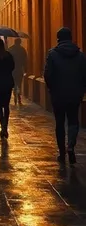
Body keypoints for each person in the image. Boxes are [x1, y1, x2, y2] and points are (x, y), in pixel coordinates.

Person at [44, 27, 86, 164]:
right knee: (73, 120)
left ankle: (62, 152)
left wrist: (52, 88)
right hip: (75, 94)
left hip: (58, 95)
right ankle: (71, 147)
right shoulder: (80, 56)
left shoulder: (52, 54)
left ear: (58, 39)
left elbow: (48, 75)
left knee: (60, 122)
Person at [0, 39, 15, 138]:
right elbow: (12, 67)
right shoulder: (8, 55)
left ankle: (2, 126)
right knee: (6, 105)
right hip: (7, 82)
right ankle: (5, 127)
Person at [9, 38, 28, 105]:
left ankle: (15, 97)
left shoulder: (10, 49)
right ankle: (19, 98)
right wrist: (25, 69)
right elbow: (25, 60)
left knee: (14, 85)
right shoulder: (22, 50)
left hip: (12, 70)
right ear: (19, 42)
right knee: (19, 85)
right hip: (19, 70)